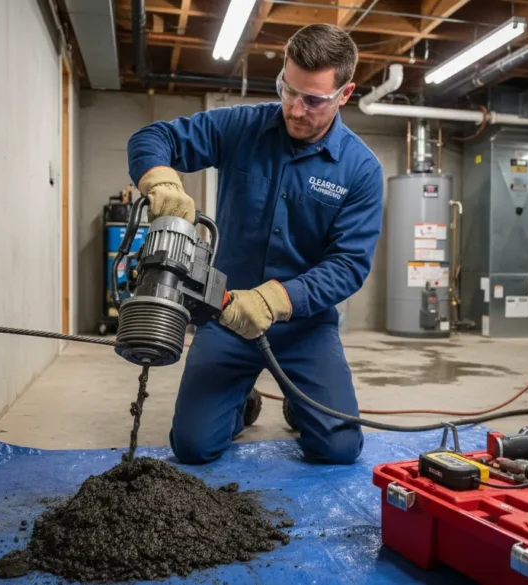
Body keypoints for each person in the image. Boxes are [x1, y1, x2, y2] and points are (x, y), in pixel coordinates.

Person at [127, 23, 384, 465]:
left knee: (339, 449)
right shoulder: (243, 126)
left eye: (314, 99)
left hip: (305, 328)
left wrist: (277, 299)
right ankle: (242, 403)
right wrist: (161, 180)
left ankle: (297, 399)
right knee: (193, 447)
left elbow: (348, 265)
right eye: (288, 89)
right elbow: (154, 138)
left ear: (345, 93)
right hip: (225, 314)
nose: (296, 109)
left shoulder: (361, 170)